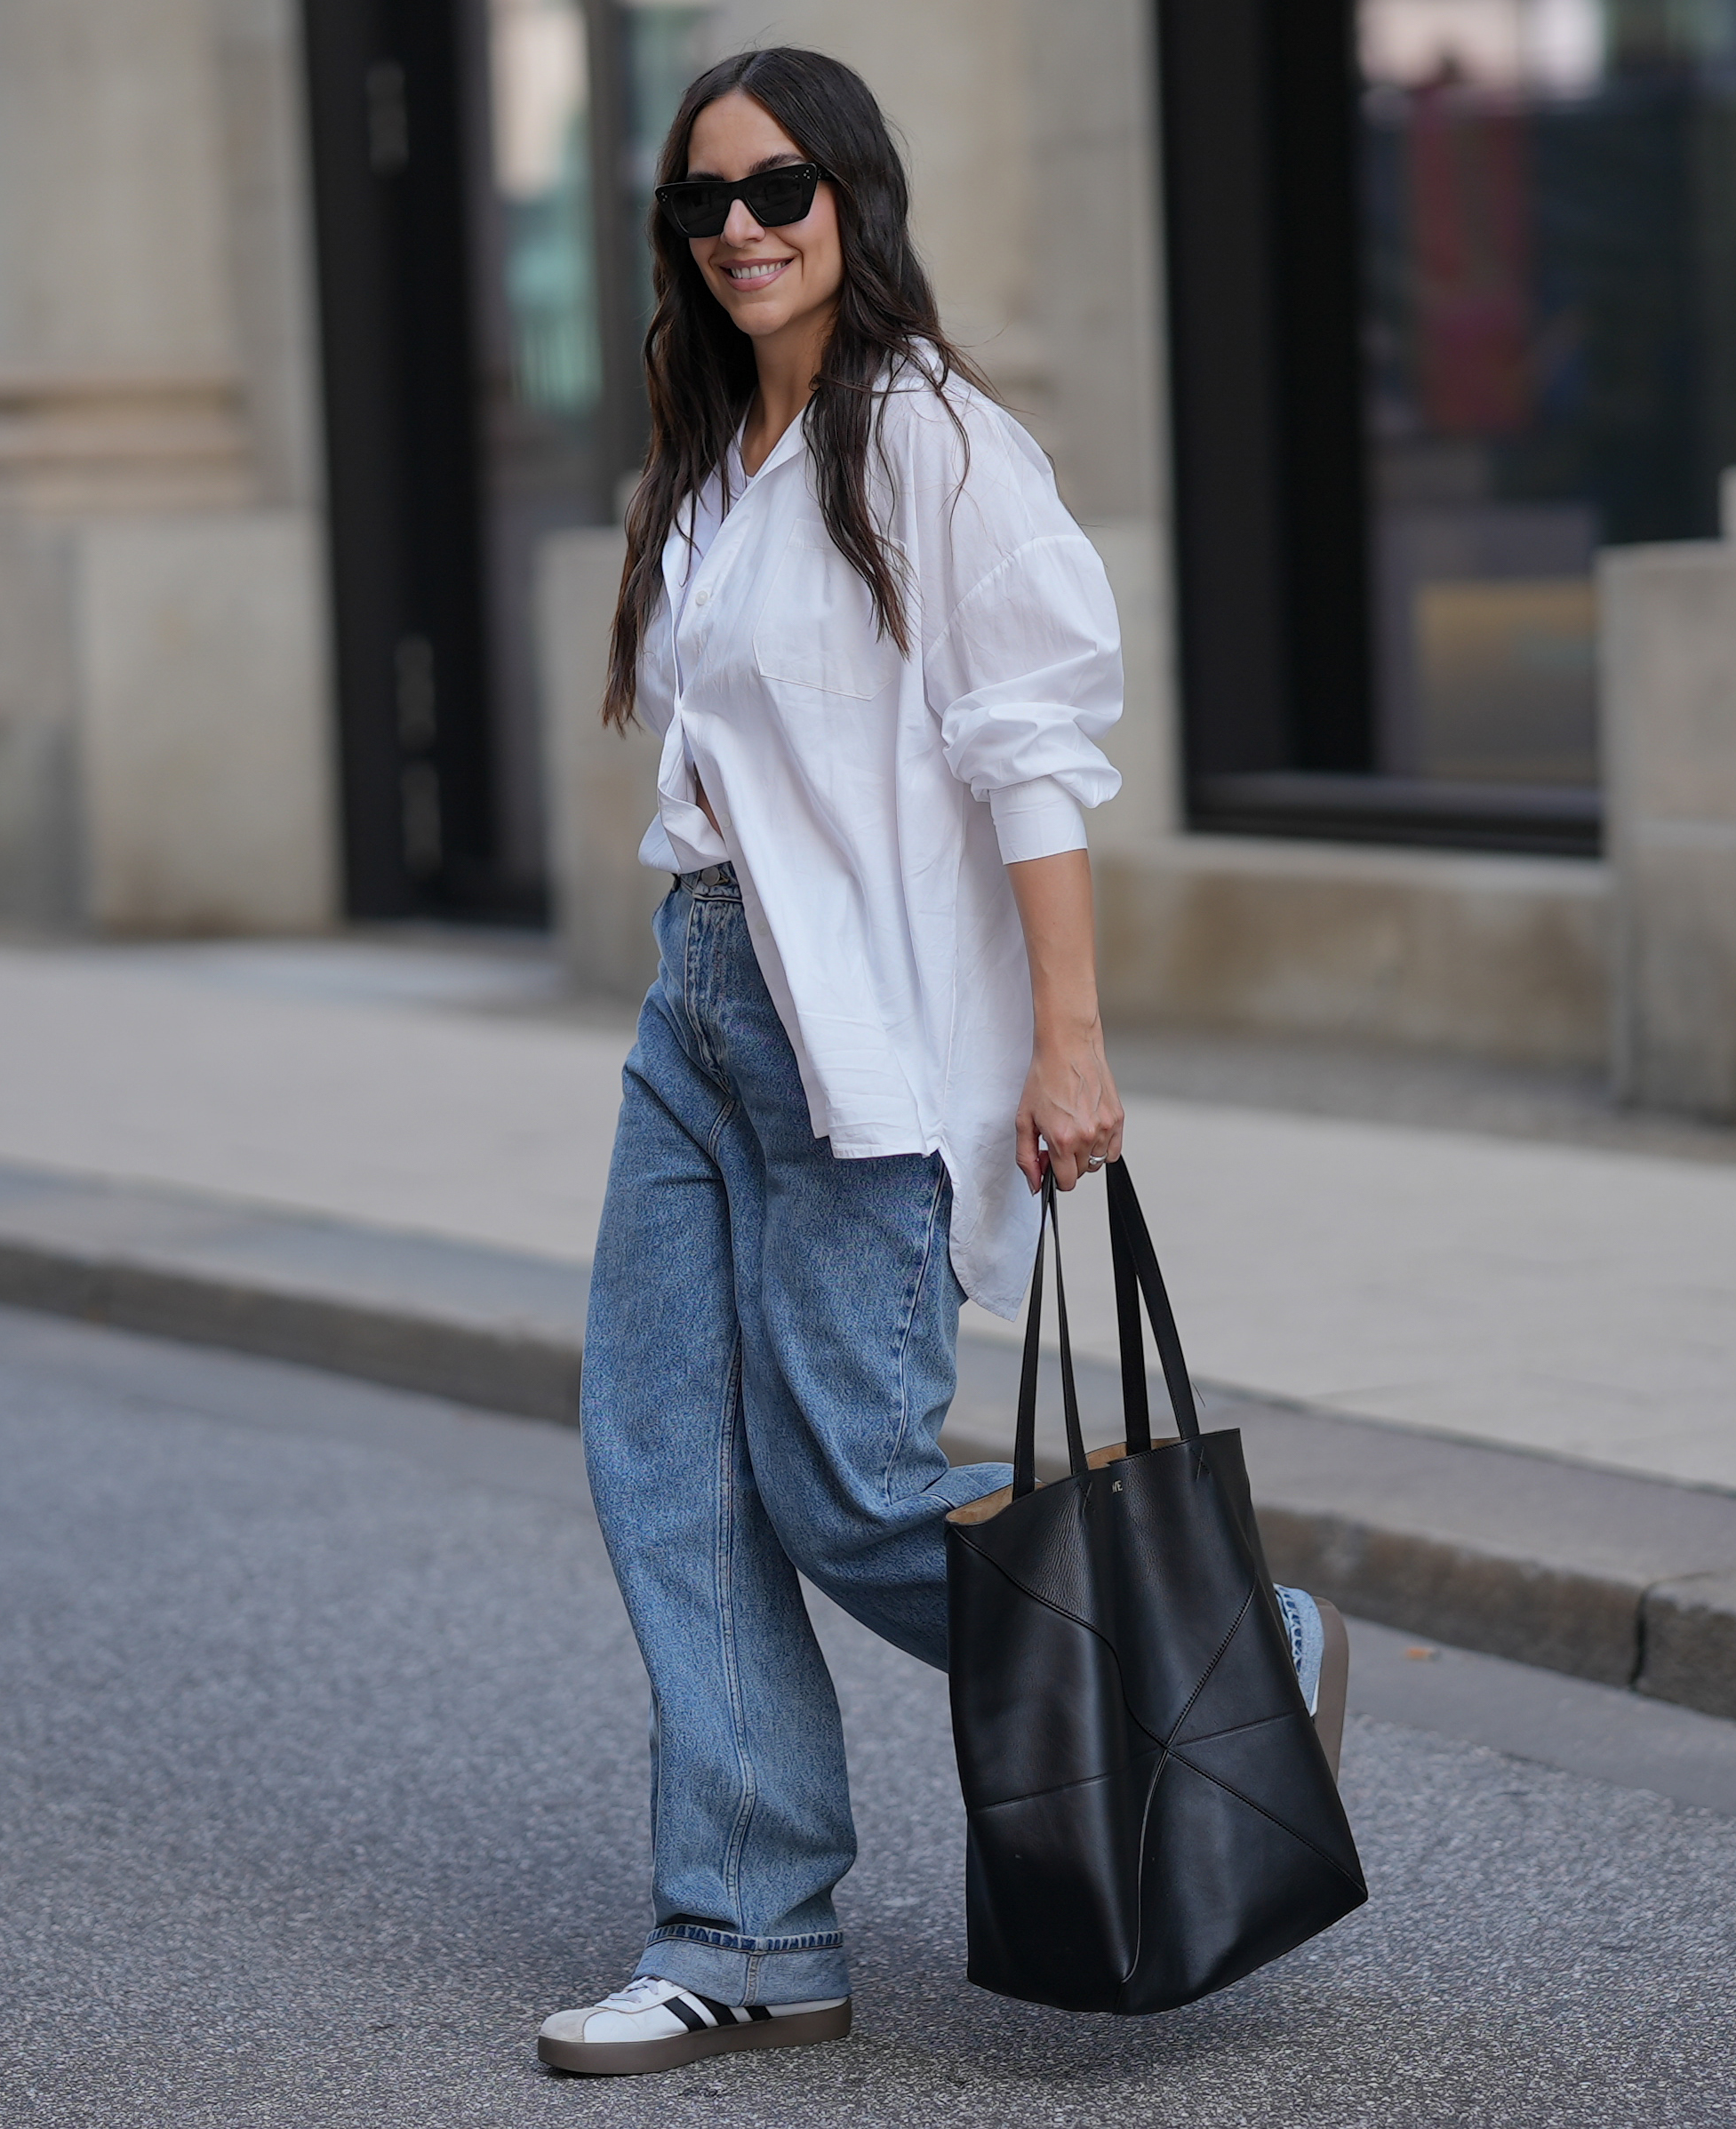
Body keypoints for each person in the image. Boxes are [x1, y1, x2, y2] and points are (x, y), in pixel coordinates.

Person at [539, 48, 1345, 2079]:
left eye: (777, 189)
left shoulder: (930, 445)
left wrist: (1067, 1044)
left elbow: (1032, 748)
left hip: (858, 1044)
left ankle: (1235, 1660)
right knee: (663, 1466)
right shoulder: (723, 452)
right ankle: (742, 1932)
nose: (738, 228)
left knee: (843, 1481)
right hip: (697, 1015)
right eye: (699, 203)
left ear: (855, 201)